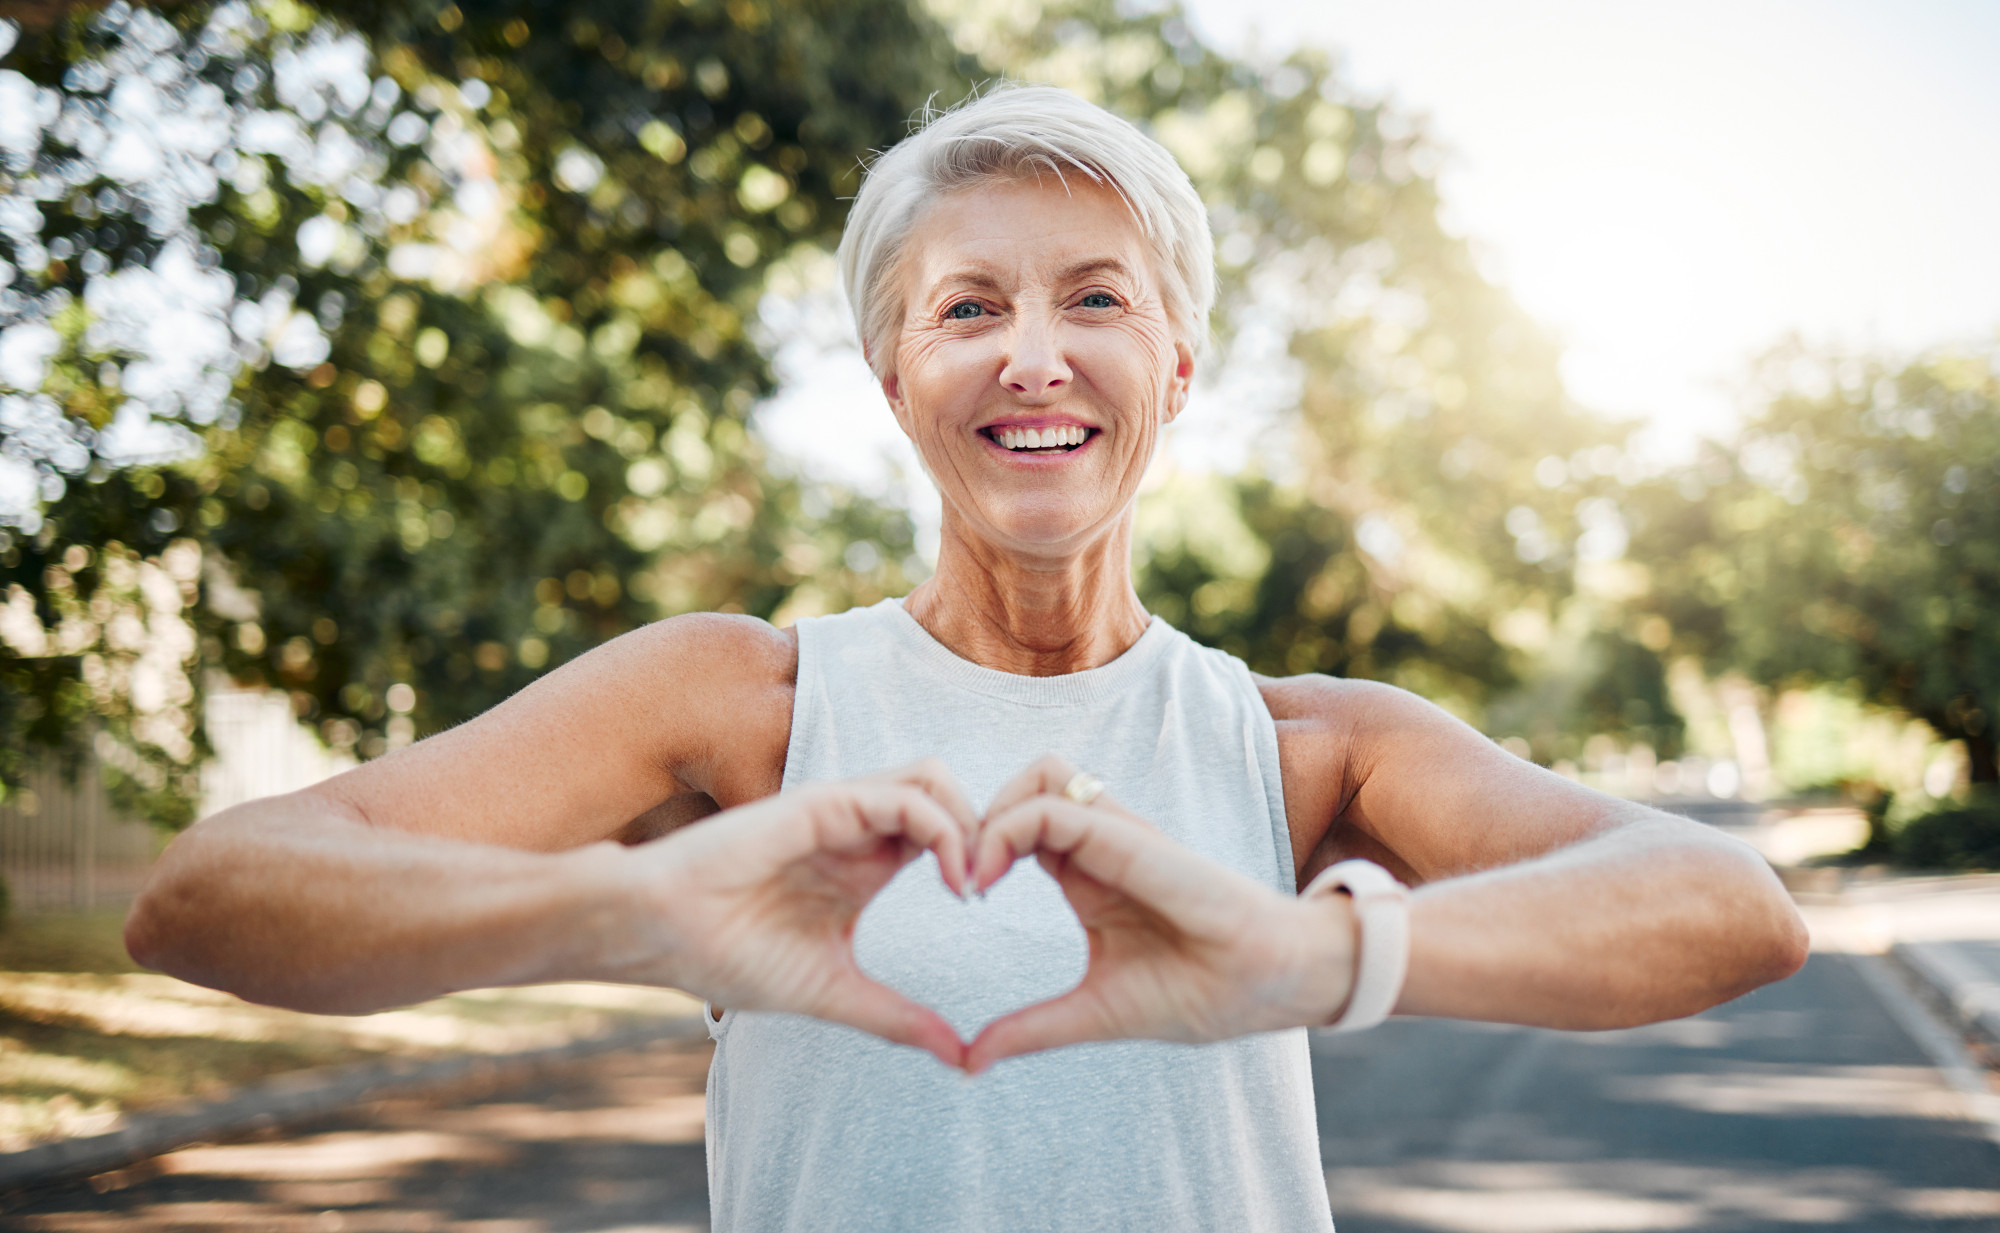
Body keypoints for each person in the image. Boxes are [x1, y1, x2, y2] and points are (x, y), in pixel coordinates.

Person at [125, 84, 1809, 1231]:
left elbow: (1732, 911)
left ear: (1174, 360)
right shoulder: (738, 704)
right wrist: (637, 912)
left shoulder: (1307, 746)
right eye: (966, 306)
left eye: (1093, 298)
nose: (1034, 355)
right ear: (893, 377)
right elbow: (209, 894)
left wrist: (1311, 958)